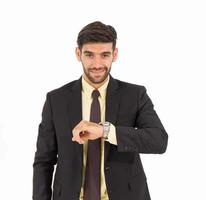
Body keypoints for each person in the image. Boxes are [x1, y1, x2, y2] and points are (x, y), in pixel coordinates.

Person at [33, 21, 168, 200]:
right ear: (78, 53)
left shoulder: (135, 95)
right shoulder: (56, 99)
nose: (97, 64)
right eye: (89, 55)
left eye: (104, 55)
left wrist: (105, 131)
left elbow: (159, 140)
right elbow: (44, 161)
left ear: (115, 54)